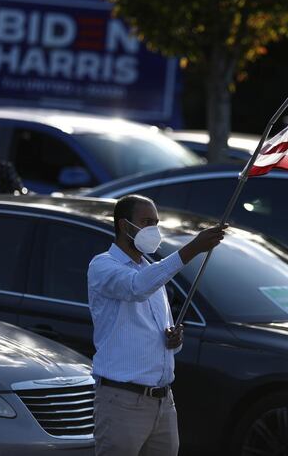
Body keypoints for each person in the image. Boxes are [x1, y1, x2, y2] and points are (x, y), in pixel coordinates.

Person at [88, 195, 226, 456]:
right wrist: (193, 248)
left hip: (163, 402)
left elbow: (154, 329)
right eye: (146, 222)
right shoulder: (103, 265)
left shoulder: (150, 269)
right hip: (122, 401)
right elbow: (136, 287)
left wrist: (173, 341)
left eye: (156, 223)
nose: (153, 229)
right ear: (124, 225)